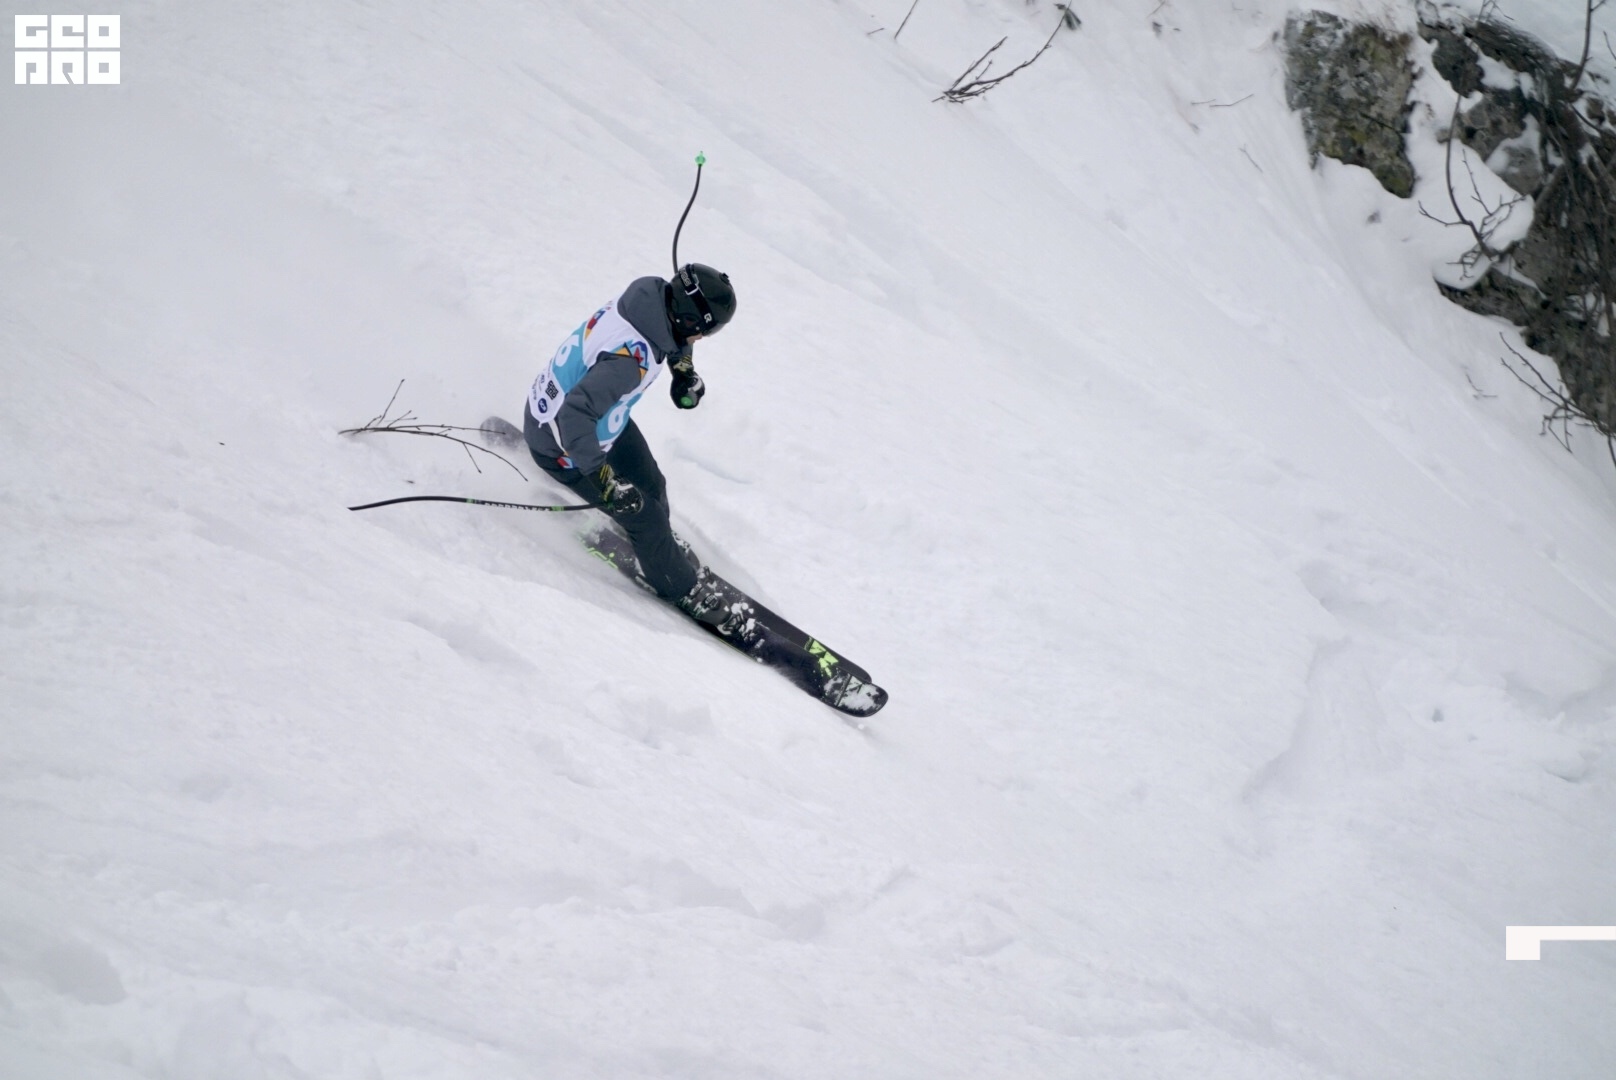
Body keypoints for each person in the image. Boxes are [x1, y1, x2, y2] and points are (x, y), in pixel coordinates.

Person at [523, 263, 740, 621]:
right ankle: (680, 588)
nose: (703, 338)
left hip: (601, 419)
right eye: (707, 329)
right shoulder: (627, 362)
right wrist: (606, 482)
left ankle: (657, 547)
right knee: (647, 518)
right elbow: (573, 416)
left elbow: (672, 334)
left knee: (652, 485)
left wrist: (682, 369)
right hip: (561, 444)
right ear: (688, 319)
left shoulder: (649, 299)